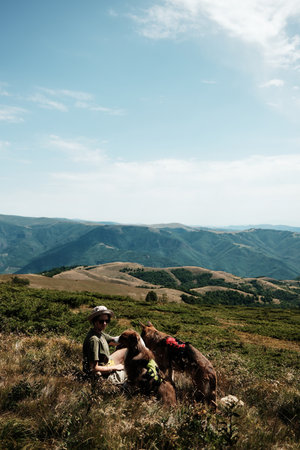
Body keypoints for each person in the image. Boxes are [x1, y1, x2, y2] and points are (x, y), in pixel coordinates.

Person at [83, 305, 127, 385]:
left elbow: (114, 341)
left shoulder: (100, 334)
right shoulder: (94, 340)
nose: (104, 323)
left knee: (125, 350)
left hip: (106, 364)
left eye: (107, 320)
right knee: (130, 373)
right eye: (101, 321)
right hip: (101, 376)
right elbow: (93, 368)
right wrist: (115, 367)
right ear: (94, 321)